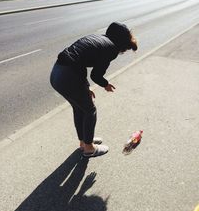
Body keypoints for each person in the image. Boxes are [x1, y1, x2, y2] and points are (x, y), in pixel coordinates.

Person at [50, 22, 138, 158]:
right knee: (90, 111)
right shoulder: (111, 48)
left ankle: (84, 142)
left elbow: (78, 62)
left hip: (57, 73)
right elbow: (95, 75)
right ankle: (89, 148)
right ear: (122, 41)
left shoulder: (98, 39)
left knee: (79, 108)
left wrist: (85, 87)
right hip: (69, 76)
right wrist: (105, 84)